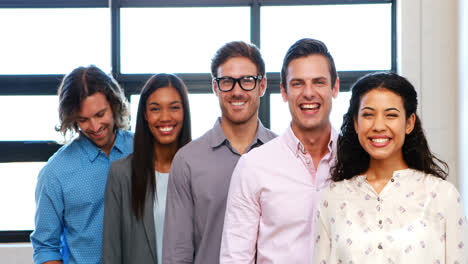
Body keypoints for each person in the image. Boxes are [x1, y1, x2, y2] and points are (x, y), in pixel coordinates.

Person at [313, 72, 468, 263]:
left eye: (391, 115)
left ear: (409, 123)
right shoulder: (333, 198)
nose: (379, 126)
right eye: (368, 115)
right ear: (356, 123)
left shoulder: (443, 196)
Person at [220, 38, 339, 263]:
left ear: (335, 88)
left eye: (319, 82)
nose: (309, 93)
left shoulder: (358, 161)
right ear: (284, 92)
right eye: (297, 84)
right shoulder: (253, 166)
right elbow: (235, 257)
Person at [162, 41, 277, 264]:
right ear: (215, 87)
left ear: (262, 86)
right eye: (227, 82)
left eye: (246, 81)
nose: (236, 91)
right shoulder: (188, 161)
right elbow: (177, 254)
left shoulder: (285, 155)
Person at [30, 65, 134, 264]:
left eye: (100, 114)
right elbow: (46, 247)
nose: (95, 127)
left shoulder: (144, 151)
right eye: (83, 120)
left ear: (114, 105)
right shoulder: (55, 173)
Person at [102, 73, 191, 264]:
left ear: (184, 112)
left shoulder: (200, 171)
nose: (165, 117)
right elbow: (111, 253)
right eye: (155, 109)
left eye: (174, 107)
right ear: (145, 115)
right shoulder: (121, 174)